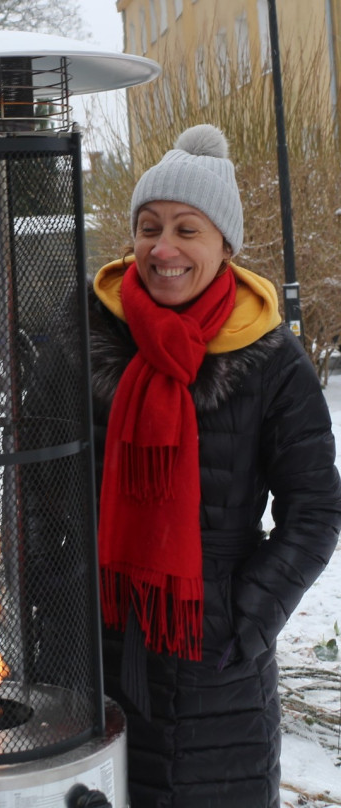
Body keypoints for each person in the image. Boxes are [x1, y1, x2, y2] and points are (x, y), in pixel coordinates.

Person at [89, 123, 341, 807]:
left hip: (218, 667)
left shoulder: (270, 355)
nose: (163, 248)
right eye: (149, 227)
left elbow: (314, 510)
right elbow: (42, 482)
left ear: (225, 244)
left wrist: (244, 619)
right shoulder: (90, 333)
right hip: (99, 646)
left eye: (186, 229)